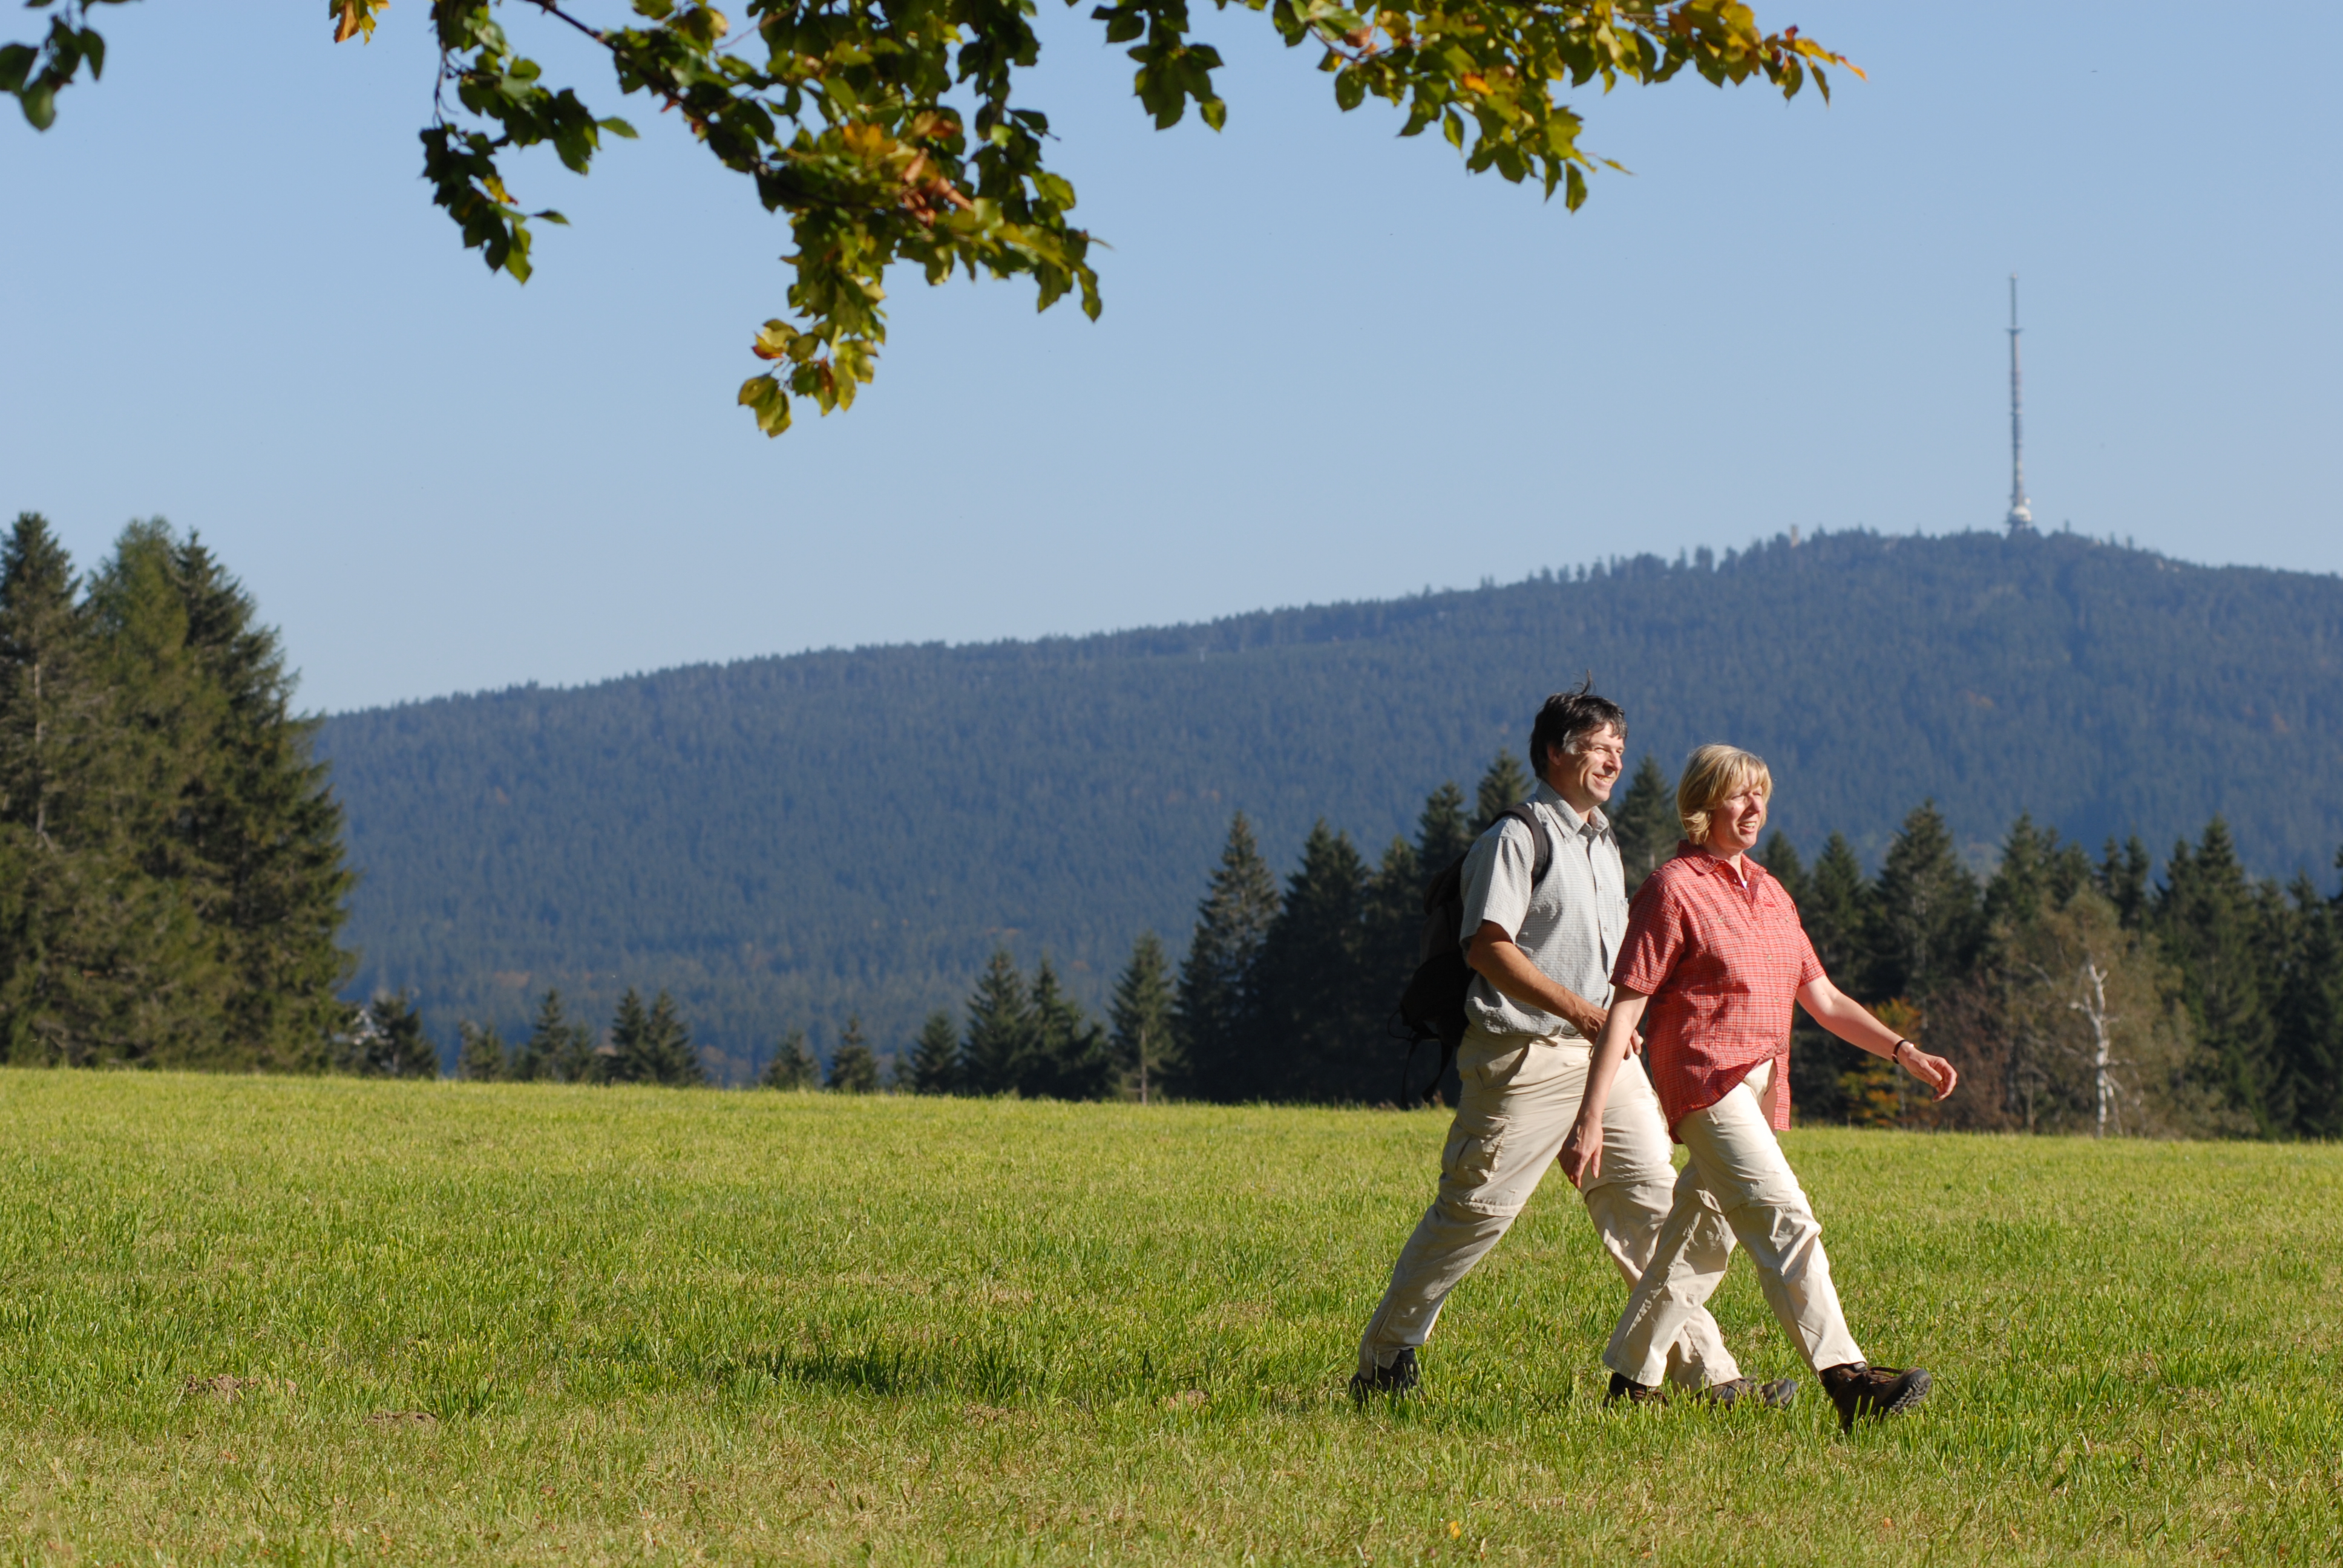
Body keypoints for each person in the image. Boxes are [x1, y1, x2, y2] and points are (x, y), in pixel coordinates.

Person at [1352, 684, 1786, 1407]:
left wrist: (1614, 1026)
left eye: (1619, 748)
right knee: (1474, 1216)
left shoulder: (1603, 843)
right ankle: (1385, 1356)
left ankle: (1707, 1378)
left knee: (1649, 1206)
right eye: (1598, 748)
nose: (1614, 760)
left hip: (1603, 1059)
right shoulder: (1515, 839)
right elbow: (1488, 949)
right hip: (1523, 1058)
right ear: (1555, 753)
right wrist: (1581, 1012)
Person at [1559, 743, 1959, 1430]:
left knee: (1699, 1236)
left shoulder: (1771, 892)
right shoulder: (1671, 888)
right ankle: (1846, 1378)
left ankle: (1630, 1382)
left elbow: (1823, 999)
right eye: (1739, 796)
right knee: (1784, 1215)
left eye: (1761, 795)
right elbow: (1626, 1003)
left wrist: (1901, 1050)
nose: (1753, 809)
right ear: (1703, 804)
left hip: (1759, 1085)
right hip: (1704, 1083)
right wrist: (1590, 1114)